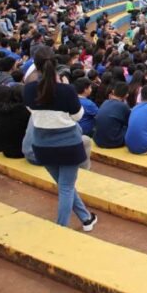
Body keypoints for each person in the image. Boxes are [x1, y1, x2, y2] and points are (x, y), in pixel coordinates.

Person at [23, 48, 97, 230]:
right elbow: (78, 116)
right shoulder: (66, 90)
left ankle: (86, 218)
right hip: (68, 145)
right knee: (66, 187)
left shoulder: (29, 89)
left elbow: (31, 112)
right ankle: (61, 228)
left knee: (65, 186)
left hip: (42, 144)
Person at [93, 82, 131, 148]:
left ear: (113, 91)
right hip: (113, 142)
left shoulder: (105, 102)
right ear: (127, 95)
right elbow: (129, 123)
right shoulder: (123, 106)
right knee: (132, 128)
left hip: (98, 140)